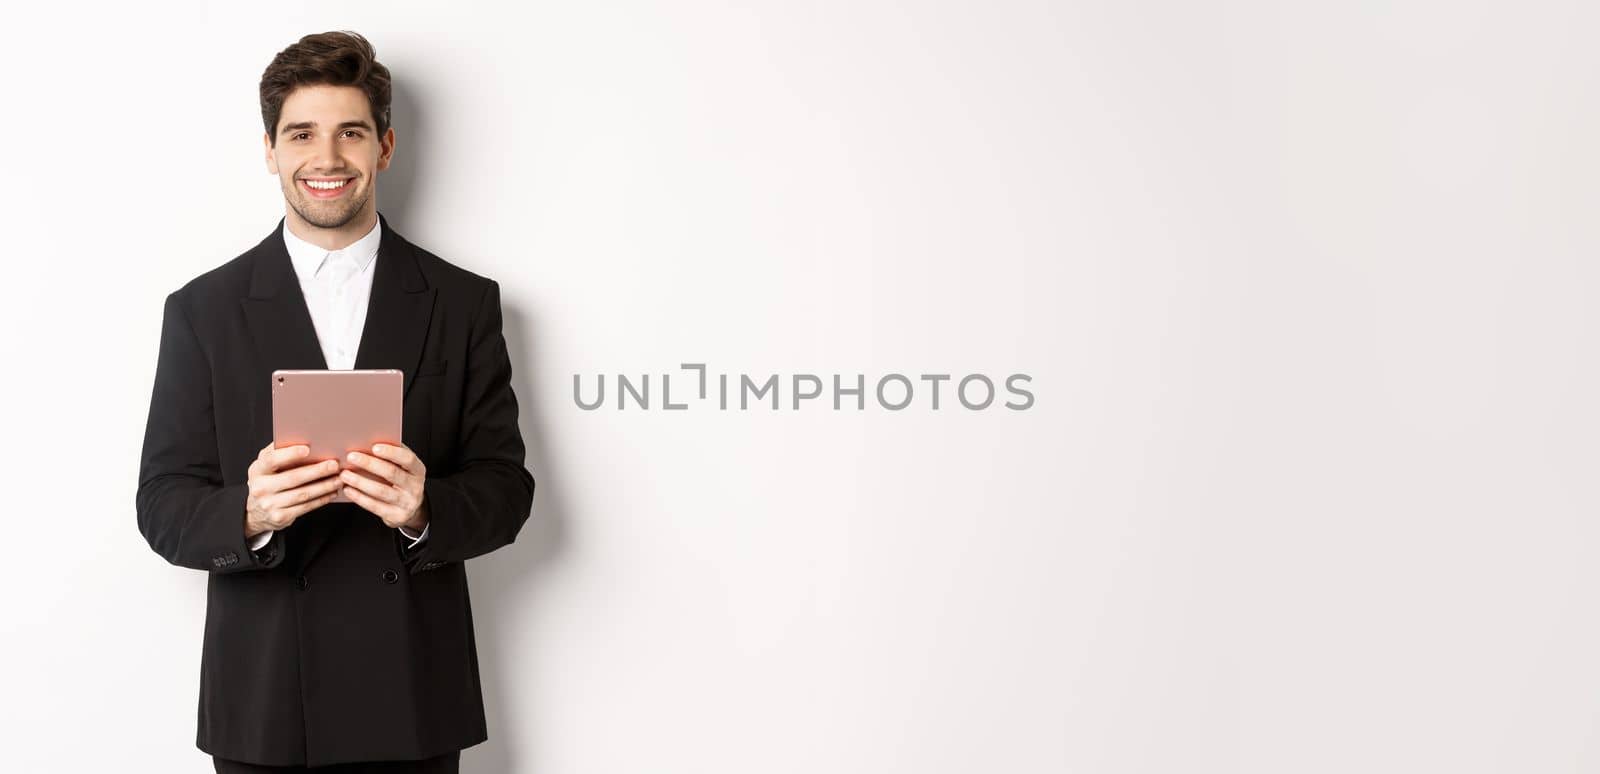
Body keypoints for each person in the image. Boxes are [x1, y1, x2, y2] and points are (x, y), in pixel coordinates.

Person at [135, 30, 535, 772]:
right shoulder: (202, 310)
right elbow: (160, 505)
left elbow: (507, 490)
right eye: (302, 134)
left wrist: (425, 509)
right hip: (264, 704)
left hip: (412, 696)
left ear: (384, 147)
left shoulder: (462, 302)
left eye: (350, 132)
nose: (326, 159)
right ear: (270, 150)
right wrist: (249, 512)